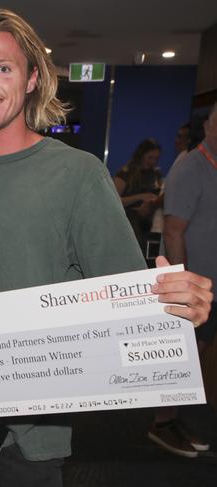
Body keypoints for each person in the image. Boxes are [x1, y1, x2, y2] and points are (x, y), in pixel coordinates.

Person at [0, 8, 213, 486]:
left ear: (33, 78)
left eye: (4, 68)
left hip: (30, 429)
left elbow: (128, 293)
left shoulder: (78, 174)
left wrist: (177, 305)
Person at [149, 104, 217, 458]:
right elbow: (174, 233)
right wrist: (183, 292)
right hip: (194, 290)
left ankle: (173, 418)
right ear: (207, 126)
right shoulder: (192, 167)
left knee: (196, 358)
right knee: (181, 358)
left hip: (212, 288)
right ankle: (162, 423)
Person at [113, 138, 164, 259]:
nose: (153, 162)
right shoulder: (126, 173)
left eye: (156, 158)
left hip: (149, 223)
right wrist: (140, 197)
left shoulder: (156, 175)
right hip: (129, 223)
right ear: (141, 155)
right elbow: (114, 200)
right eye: (150, 157)